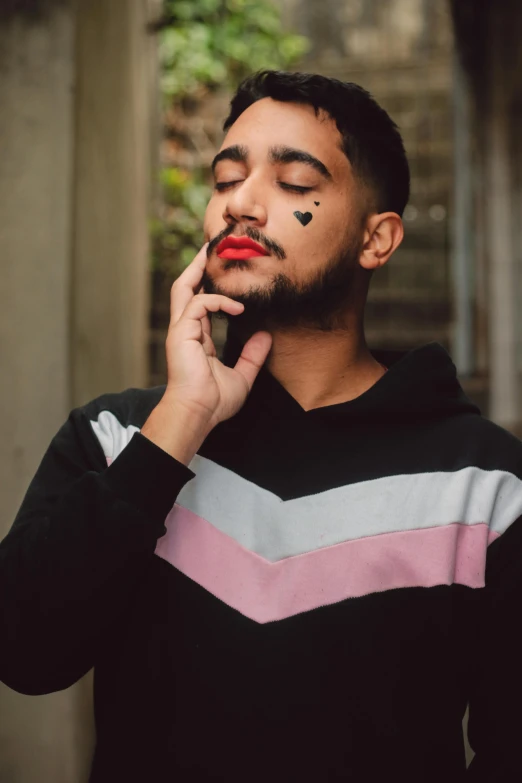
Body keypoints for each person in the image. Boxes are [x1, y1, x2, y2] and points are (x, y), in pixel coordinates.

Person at [0, 70, 520, 783]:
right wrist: (178, 425)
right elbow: (24, 652)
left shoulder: (486, 491)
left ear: (378, 238)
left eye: (294, 181)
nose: (239, 205)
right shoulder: (117, 437)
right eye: (225, 179)